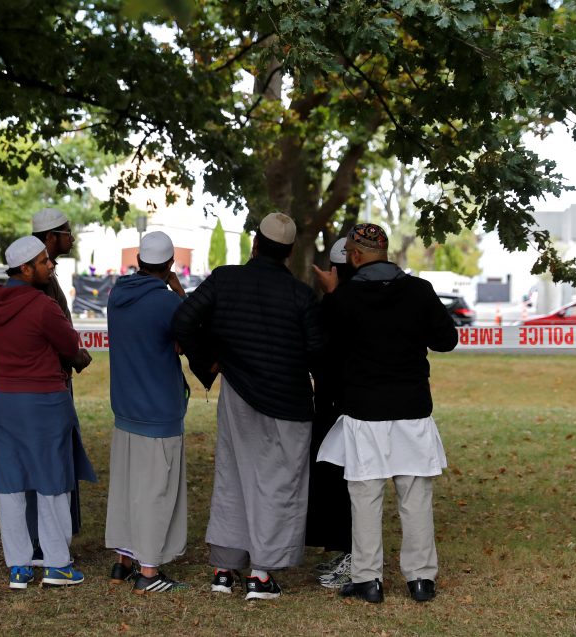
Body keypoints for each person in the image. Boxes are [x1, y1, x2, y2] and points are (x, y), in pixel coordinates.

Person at [172, 212, 323, 601]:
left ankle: (224, 569)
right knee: (278, 483)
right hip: (287, 401)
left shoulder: (225, 278)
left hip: (237, 394)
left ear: (255, 244)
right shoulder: (301, 295)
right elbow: (318, 353)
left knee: (233, 476)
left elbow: (184, 319)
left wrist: (209, 360)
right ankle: (261, 575)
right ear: (289, 252)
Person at [312, 223, 458, 604]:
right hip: (412, 408)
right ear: (386, 252)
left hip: (363, 410)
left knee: (365, 496)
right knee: (415, 498)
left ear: (354, 256)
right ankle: (421, 579)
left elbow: (323, 352)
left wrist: (332, 296)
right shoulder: (419, 291)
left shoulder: (344, 300)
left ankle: (367, 580)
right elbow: (447, 340)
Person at [0, 235, 97, 589]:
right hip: (44, 402)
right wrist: (79, 358)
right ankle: (58, 564)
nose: (51, 266)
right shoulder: (43, 306)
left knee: (11, 487)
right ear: (25, 269)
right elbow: (69, 344)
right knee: (52, 484)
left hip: (1, 403)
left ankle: (19, 566)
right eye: (45, 262)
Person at [104, 231, 191, 594]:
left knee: (126, 489)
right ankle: (150, 573)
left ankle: (123, 562)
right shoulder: (167, 304)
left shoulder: (117, 295)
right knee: (156, 491)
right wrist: (178, 290)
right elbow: (192, 334)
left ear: (138, 261)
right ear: (170, 265)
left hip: (125, 408)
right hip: (159, 410)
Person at [27, 208, 91, 562]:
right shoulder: (40, 278)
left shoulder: (45, 274)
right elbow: (53, 332)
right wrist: (76, 355)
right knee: (49, 464)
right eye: (67, 232)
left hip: (54, 380)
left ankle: (51, 540)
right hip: (48, 384)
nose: (71, 237)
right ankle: (44, 545)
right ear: (51, 237)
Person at [305, 236, 354, 588]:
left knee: (347, 483)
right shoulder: (346, 302)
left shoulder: (341, 304)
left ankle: (354, 554)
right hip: (339, 403)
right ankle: (345, 548)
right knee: (338, 481)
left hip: (343, 405)